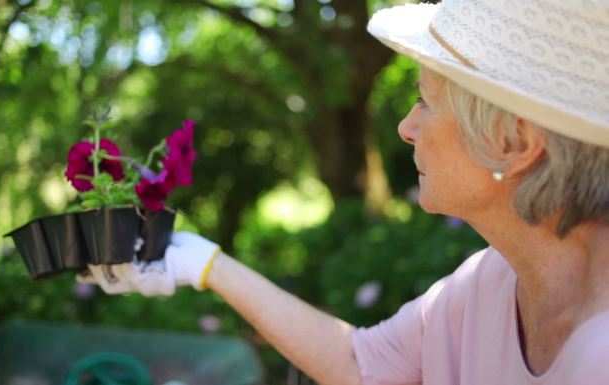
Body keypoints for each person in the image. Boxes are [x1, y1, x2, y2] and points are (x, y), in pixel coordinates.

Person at [80, 0, 609, 383]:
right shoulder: (486, 285)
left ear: (513, 141)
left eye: (426, 101)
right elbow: (362, 363)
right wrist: (201, 263)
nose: (406, 126)